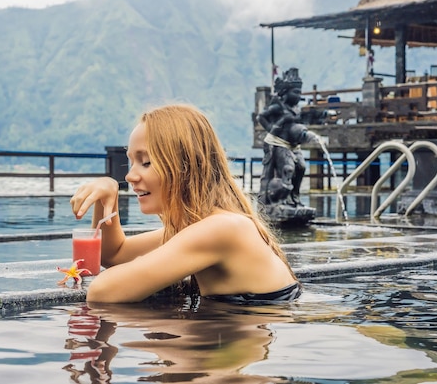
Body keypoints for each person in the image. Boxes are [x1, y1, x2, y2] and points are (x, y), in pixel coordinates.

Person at [70, 104, 301, 304]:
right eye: (132, 162)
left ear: (186, 167)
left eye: (146, 162)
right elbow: (115, 254)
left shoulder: (222, 228)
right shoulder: (197, 225)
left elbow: (103, 291)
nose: (130, 176)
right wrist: (106, 197)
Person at [256, 67, 312, 207]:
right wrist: (272, 129)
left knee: (301, 167)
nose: (299, 96)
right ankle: (284, 198)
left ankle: (295, 196)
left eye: (300, 92)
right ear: (286, 93)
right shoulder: (278, 106)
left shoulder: (296, 109)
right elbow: (261, 117)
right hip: (279, 142)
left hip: (293, 145)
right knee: (288, 168)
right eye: (295, 92)